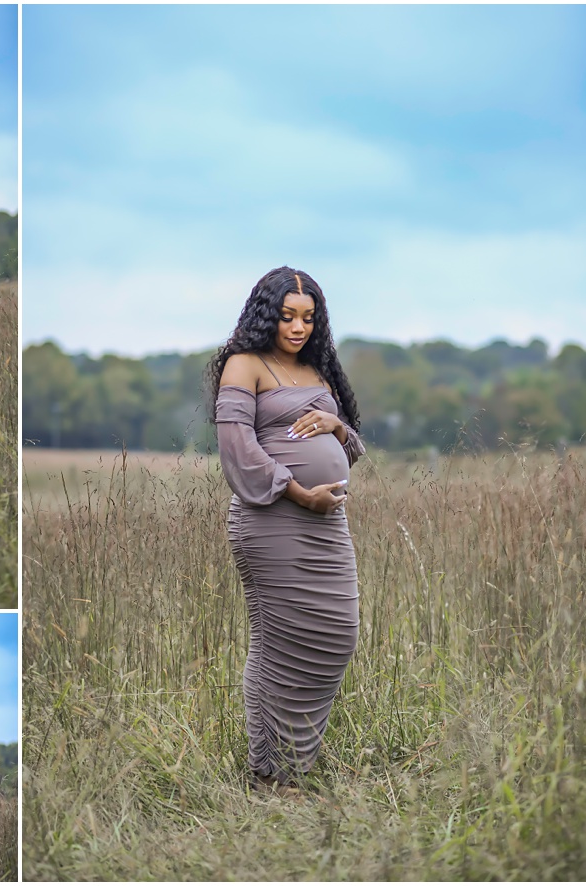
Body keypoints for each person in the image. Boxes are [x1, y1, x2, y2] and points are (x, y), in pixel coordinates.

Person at [207, 266, 364, 793]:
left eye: (308, 317)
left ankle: (296, 761)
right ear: (265, 314)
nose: (297, 327)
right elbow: (237, 449)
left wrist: (336, 425)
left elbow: (350, 451)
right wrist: (300, 493)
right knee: (278, 642)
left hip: (327, 523)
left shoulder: (319, 372)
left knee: (338, 633)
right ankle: (270, 772)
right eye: (286, 316)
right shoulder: (244, 364)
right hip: (272, 519)